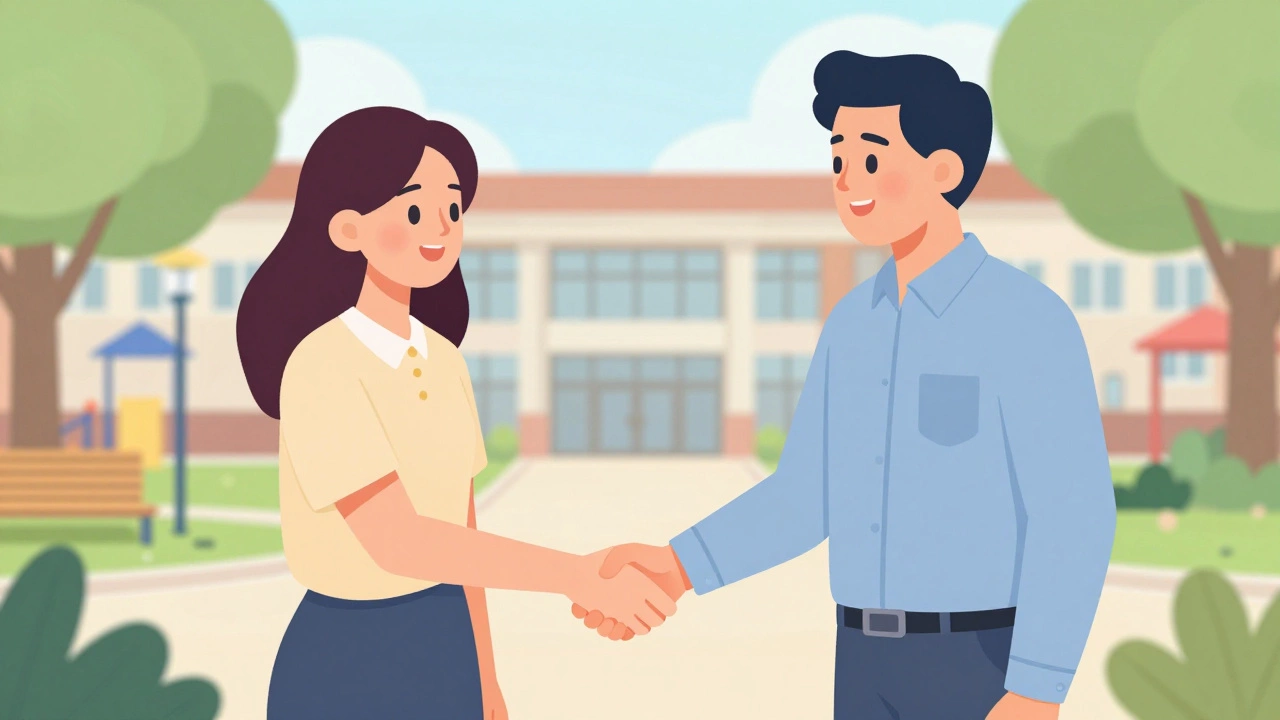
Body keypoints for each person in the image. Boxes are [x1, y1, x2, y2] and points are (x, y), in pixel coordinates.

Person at [574, 51, 1117, 720]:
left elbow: (1073, 516)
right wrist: (678, 566)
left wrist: (1036, 687)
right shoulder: (851, 326)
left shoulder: (1027, 321)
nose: (849, 183)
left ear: (944, 170)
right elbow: (807, 494)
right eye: (839, 162)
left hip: (977, 658)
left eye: (872, 160)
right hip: (861, 658)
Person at [236, 106, 676, 720]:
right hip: (348, 651)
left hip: (443, 638)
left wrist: (485, 678)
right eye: (415, 209)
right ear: (347, 230)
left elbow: (459, 532)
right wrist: (574, 575)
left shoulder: (443, 360)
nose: (440, 227)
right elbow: (396, 541)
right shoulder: (320, 366)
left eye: (453, 208)